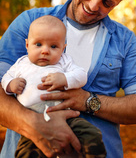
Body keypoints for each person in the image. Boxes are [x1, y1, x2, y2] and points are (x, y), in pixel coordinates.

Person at [0, 0, 136, 158]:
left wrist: (86, 101)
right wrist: (34, 126)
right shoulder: (32, 22)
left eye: (107, 3)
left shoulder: (123, 40)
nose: (93, 5)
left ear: (116, 5)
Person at [1, 15, 106, 158]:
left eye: (53, 46)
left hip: (64, 115)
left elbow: (81, 75)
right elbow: (5, 78)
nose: (45, 51)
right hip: (32, 118)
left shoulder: (64, 62)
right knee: (26, 152)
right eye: (38, 44)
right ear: (27, 45)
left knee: (92, 134)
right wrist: (11, 85)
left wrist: (65, 78)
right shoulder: (21, 63)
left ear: (63, 48)